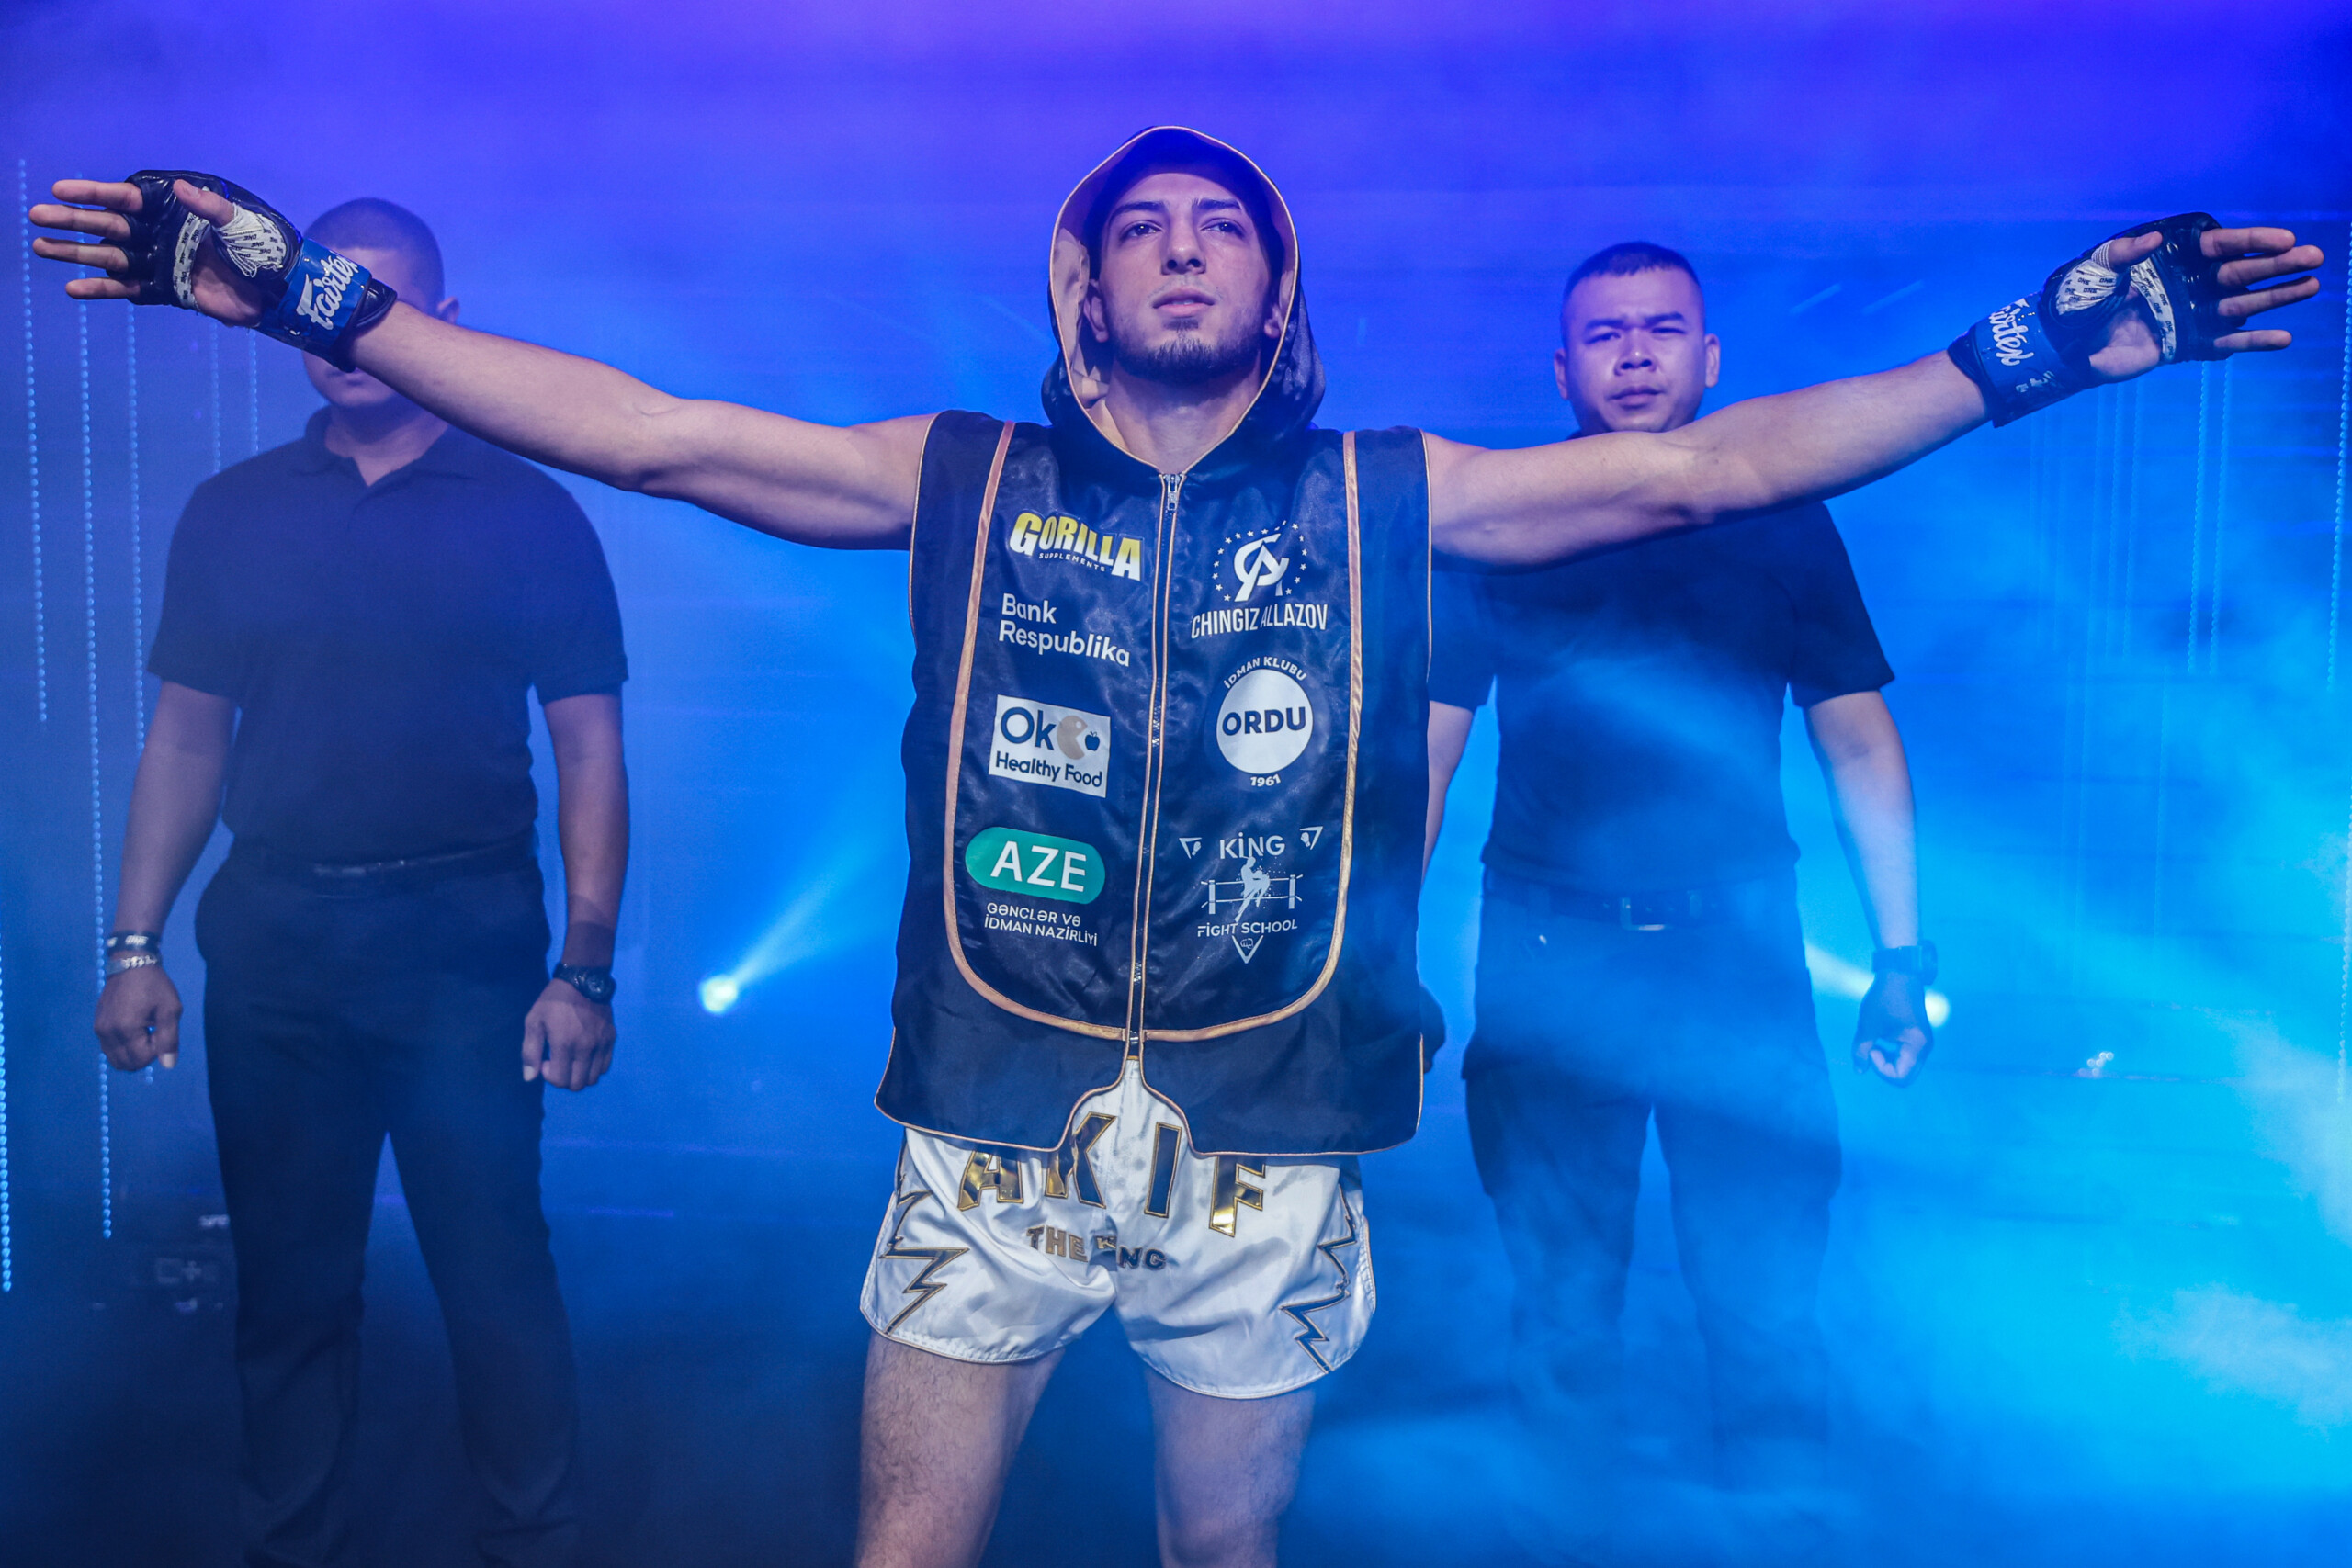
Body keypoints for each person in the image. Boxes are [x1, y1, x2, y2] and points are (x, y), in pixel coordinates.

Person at [34, 130, 2318, 1568]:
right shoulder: (956, 472)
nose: (1184, 248)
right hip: (987, 1120)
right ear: (1083, 290)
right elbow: (647, 432)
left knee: (1216, 1550)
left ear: (1278, 290)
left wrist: (2024, 354)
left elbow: (1706, 472)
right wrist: (324, 299)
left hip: (1266, 1129)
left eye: (1225, 224)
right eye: (1143, 227)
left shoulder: (1386, 495)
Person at [86, 199, 630, 1568]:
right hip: (277, 944)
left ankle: (533, 1543)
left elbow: (588, 752)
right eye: (314, 298)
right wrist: (135, 945)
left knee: (495, 1278)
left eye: (369, 301)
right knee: (288, 1293)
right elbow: (185, 741)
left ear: (440, 324)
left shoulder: (531, 510)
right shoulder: (235, 512)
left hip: (464, 943)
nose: (336, 330)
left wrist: (583, 967)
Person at [1425, 240, 1931, 1564]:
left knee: (1765, 1316)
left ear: (1710, 358)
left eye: (1661, 329)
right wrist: (1375, 964)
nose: (1636, 353)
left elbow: (1858, 739)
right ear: (1563, 370)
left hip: (1737, 963)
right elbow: (1428, 747)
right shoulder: (1503, 520)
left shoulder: (1783, 515)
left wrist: (1901, 954)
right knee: (1560, 1316)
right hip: (1549, 962)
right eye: (1606, 333)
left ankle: (1778, 1544)